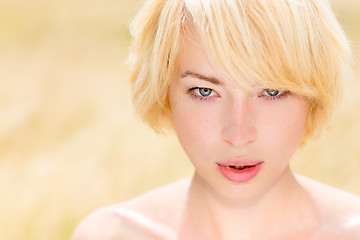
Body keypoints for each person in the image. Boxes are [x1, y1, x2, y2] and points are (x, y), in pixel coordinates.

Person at [71, 0, 360, 239]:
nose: (238, 134)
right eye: (205, 91)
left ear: (314, 94)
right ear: (164, 90)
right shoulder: (112, 234)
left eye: (272, 91)